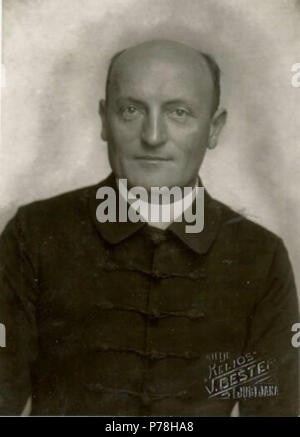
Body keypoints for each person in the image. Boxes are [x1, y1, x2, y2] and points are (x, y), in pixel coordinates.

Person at [0, 39, 299, 416]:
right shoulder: (33, 235)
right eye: (131, 110)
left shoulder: (261, 257)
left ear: (214, 128)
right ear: (104, 121)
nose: (153, 136)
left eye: (178, 113)